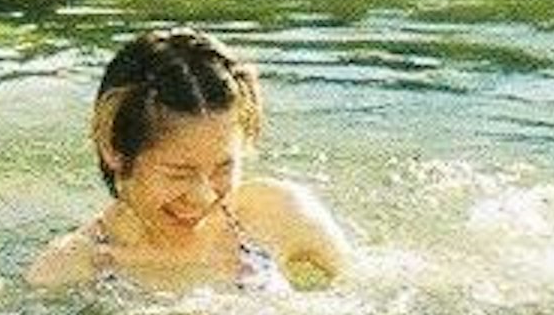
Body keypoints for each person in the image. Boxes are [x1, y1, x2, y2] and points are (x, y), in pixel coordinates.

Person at [24, 28, 352, 295]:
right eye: (179, 174)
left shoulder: (279, 214)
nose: (204, 196)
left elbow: (369, 291)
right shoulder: (73, 269)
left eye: (224, 168)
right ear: (114, 150)